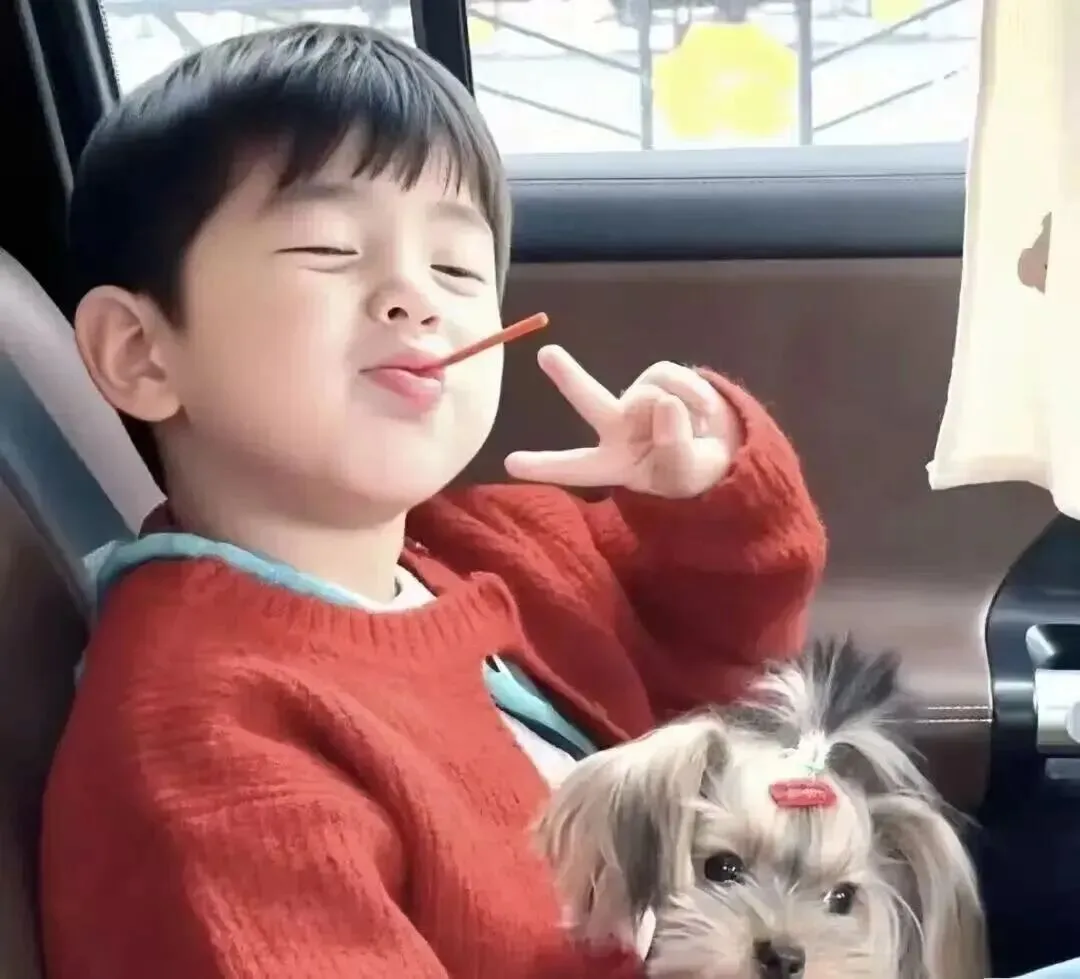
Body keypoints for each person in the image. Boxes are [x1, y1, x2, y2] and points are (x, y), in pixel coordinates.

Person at [39, 22, 826, 979]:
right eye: (329, 247)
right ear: (141, 353)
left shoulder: (490, 546)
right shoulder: (207, 747)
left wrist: (704, 501)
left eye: (457, 268)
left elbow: (734, 675)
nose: (417, 296)